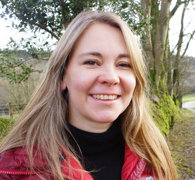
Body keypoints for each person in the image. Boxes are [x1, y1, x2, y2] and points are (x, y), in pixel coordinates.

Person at [0, 11, 178, 180]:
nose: (111, 78)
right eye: (92, 62)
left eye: (124, 64)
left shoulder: (154, 156)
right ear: (62, 76)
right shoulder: (13, 170)